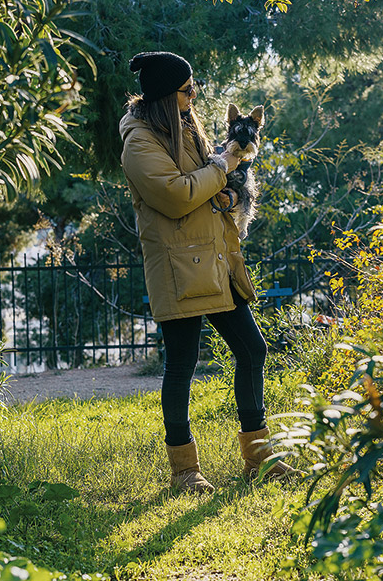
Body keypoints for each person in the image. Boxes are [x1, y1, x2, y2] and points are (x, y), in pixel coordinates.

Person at [119, 51, 301, 493]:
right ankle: (185, 471)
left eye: (194, 88)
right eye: (187, 90)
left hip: (216, 260)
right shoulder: (139, 141)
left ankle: (259, 457)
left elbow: (209, 184)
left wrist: (231, 196)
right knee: (182, 365)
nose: (194, 96)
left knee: (252, 350)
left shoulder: (187, 126)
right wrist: (221, 168)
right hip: (178, 267)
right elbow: (177, 195)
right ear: (166, 93)